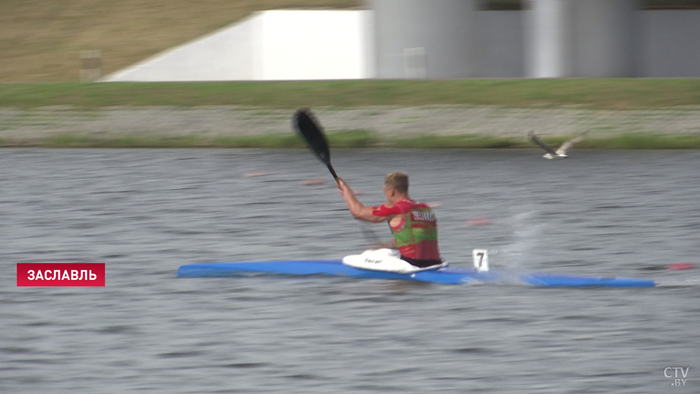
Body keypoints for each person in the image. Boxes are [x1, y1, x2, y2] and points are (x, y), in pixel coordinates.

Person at [336, 171, 442, 269]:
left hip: (413, 265)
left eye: (385, 191)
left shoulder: (397, 207)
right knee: (382, 251)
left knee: (366, 256)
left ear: (391, 191)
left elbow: (358, 212)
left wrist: (345, 189)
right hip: (436, 263)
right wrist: (384, 245)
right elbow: (415, 239)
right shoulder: (425, 208)